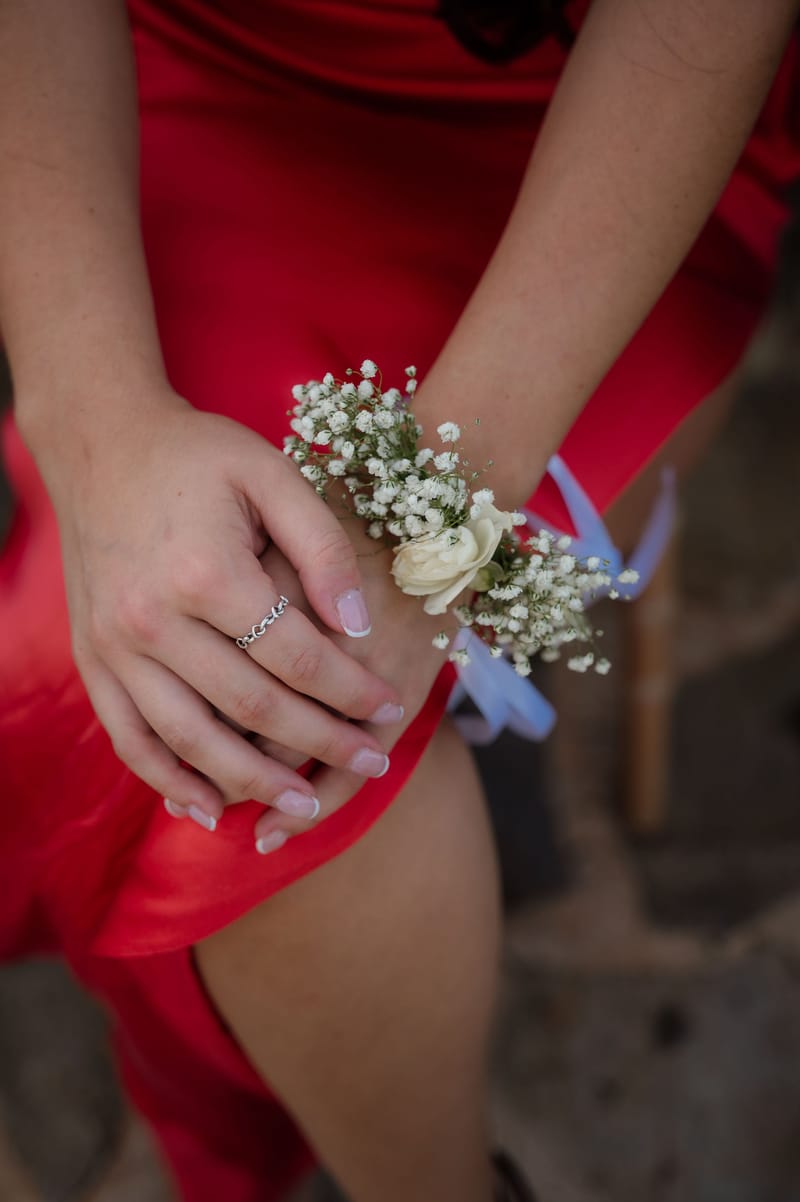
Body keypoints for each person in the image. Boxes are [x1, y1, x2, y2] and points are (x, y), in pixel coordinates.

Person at [1, 2, 798, 1199]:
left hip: (596, 143)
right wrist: (94, 411)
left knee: (277, 718)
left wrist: (437, 507)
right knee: (205, 675)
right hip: (191, 72)